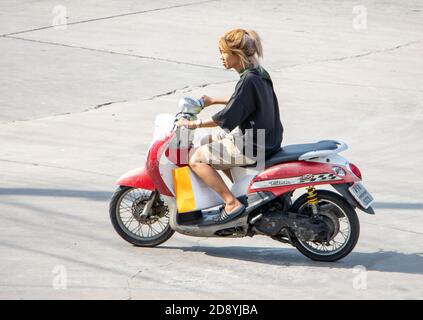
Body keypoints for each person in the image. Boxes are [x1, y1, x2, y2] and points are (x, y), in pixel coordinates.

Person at [176, 28, 283, 223]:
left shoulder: (247, 81)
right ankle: (247, 193)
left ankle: (231, 202)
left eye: (223, 52)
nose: (221, 57)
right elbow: (243, 102)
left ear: (237, 54)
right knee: (208, 140)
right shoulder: (258, 73)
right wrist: (213, 100)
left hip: (254, 146)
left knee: (195, 159)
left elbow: (225, 117)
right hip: (267, 139)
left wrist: (193, 124)